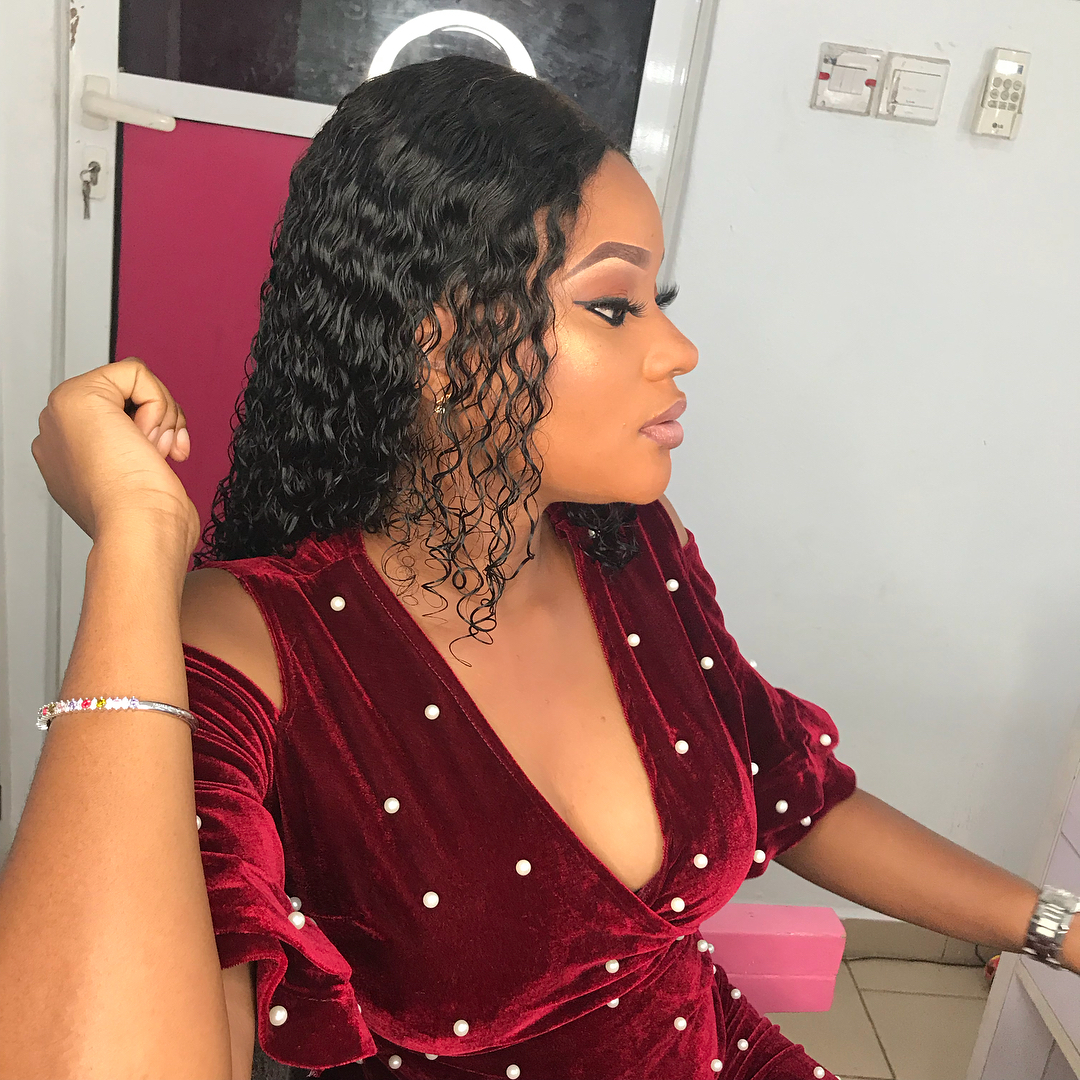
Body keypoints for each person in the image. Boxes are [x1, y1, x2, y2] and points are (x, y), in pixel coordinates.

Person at [3, 55, 1076, 1080]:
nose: (679, 349)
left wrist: (1057, 929)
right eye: (614, 306)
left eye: (660, 300)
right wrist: (137, 542)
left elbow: (786, 788)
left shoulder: (627, 546)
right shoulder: (251, 643)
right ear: (436, 346)